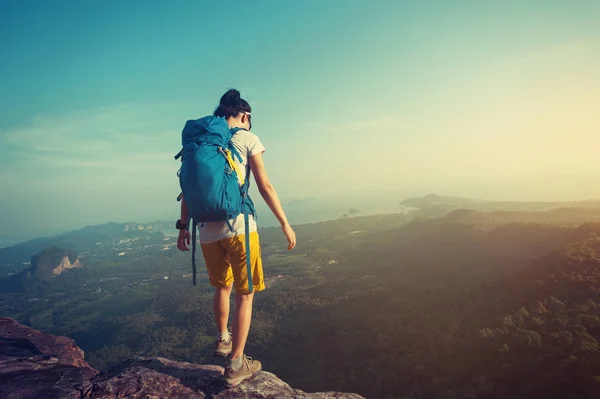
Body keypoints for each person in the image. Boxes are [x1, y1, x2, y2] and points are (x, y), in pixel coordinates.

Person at [176, 89, 296, 387]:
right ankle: (236, 364)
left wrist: (182, 227)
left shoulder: (201, 142)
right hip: (240, 227)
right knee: (246, 293)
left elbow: (188, 187)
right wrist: (285, 223)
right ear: (245, 115)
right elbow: (265, 186)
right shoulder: (246, 138)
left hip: (205, 231)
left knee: (222, 286)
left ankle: (222, 340)